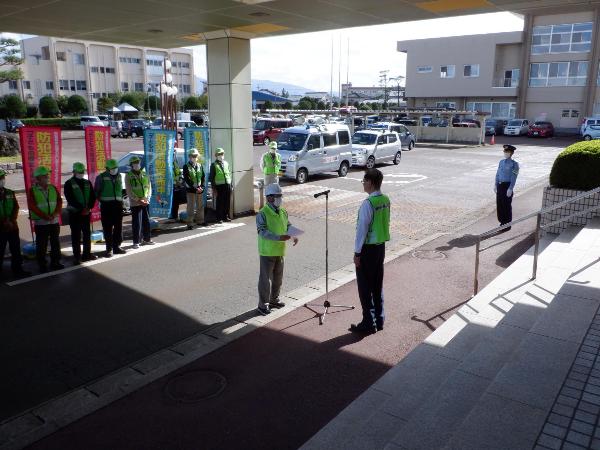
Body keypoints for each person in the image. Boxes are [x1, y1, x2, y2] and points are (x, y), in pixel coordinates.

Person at [351, 168, 390, 334]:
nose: (363, 184)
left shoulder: (368, 204)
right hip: (380, 248)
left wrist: (357, 253)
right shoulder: (385, 200)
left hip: (367, 250)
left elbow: (362, 230)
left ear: (371, 183)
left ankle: (369, 322)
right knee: (377, 284)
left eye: (364, 181)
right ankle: (379, 320)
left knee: (365, 288)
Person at [256, 183, 298, 315]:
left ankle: (274, 299)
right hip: (267, 252)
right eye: (277, 196)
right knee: (265, 280)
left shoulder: (283, 211)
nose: (280, 198)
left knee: (278, 279)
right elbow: (262, 232)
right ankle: (263, 305)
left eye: (281, 196)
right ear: (269, 198)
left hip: (280, 251)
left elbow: (288, 225)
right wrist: (279, 237)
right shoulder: (262, 213)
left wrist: (294, 235)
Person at [28, 166, 64, 272]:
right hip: (41, 223)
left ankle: (55, 262)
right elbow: (32, 206)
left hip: (54, 221)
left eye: (47, 175)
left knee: (55, 243)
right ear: (38, 178)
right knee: (42, 244)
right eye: (44, 176)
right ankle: (42, 264)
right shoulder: (32, 190)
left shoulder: (52, 188)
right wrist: (45, 216)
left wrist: (55, 213)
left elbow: (59, 201)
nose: (47, 177)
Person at [64, 162, 97, 264]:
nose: (81, 173)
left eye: (82, 172)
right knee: (76, 236)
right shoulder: (68, 183)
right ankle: (77, 257)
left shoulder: (87, 182)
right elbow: (70, 198)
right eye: (79, 172)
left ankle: (87, 254)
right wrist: (82, 208)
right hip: (75, 214)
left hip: (86, 213)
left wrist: (89, 207)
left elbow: (92, 196)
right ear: (74, 172)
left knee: (87, 235)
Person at [0, 169, 29, 277]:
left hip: (12, 226)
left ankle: (18, 269)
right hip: (1, 227)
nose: (2, 180)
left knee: (16, 249)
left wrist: (11, 220)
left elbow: (16, 207)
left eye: (3, 178)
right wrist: (3, 222)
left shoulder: (9, 192)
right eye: (0, 178)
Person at [94, 159, 126, 257]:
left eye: (115, 167)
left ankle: (117, 246)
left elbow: (120, 190)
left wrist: (121, 202)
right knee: (107, 228)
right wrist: (101, 201)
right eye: (112, 168)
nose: (115, 169)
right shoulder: (101, 177)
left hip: (118, 205)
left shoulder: (119, 176)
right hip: (107, 206)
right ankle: (109, 249)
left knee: (118, 227)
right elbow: (96, 192)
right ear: (107, 168)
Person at [125, 156, 154, 249]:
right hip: (135, 203)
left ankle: (147, 239)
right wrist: (138, 200)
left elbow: (149, 187)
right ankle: (136, 241)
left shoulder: (145, 174)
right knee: (137, 223)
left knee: (146, 222)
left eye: (138, 162)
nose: (137, 164)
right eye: (134, 162)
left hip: (145, 202)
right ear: (131, 165)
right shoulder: (128, 175)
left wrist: (147, 199)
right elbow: (129, 191)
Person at [495, 144, 519, 232]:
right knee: (500, 205)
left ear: (511, 153)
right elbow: (498, 174)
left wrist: (510, 188)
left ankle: (507, 224)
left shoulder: (514, 164)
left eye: (507, 152)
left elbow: (514, 177)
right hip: (500, 185)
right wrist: (495, 184)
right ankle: (502, 222)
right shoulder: (501, 162)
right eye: (505, 151)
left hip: (507, 186)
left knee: (506, 206)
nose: (505, 153)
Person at [182, 148, 206, 230]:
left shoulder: (200, 165)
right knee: (191, 207)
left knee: (200, 206)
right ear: (189, 156)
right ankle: (190, 223)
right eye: (193, 156)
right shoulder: (186, 166)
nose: (195, 157)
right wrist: (195, 188)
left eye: (196, 156)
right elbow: (187, 179)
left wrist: (202, 187)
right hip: (191, 190)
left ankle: (200, 221)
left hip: (199, 189)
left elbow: (203, 177)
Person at [209, 148, 232, 223]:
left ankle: (225, 216)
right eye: (219, 154)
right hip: (219, 187)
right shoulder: (213, 165)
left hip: (227, 185)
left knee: (227, 202)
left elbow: (229, 174)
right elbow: (211, 178)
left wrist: (230, 185)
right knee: (220, 202)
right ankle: (219, 218)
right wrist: (214, 189)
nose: (221, 155)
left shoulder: (226, 163)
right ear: (216, 155)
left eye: (222, 154)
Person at [169, 150, 184, 221]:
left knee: (176, 202)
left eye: (174, 154)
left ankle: (175, 216)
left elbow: (179, 174)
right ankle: (171, 216)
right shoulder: (167, 164)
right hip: (171, 186)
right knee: (171, 202)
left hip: (177, 187)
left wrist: (180, 181)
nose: (174, 156)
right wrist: (176, 182)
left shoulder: (175, 163)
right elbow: (168, 176)